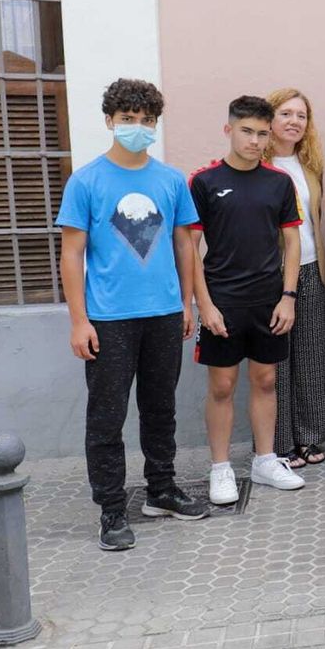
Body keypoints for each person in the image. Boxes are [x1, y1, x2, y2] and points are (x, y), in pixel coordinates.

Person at [59, 78, 208, 549]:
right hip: (108, 318)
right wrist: (79, 320)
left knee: (160, 408)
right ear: (109, 121)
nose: (137, 128)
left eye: (146, 121)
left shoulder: (169, 180)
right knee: (107, 415)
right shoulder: (86, 180)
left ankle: (161, 490)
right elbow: (71, 253)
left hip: (164, 313)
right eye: (128, 119)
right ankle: (111, 510)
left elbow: (185, 243)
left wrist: (185, 304)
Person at [190, 95, 305, 501]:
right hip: (222, 301)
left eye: (261, 133)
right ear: (229, 130)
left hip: (269, 300)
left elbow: (292, 243)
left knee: (266, 378)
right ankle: (220, 468)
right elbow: (189, 248)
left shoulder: (279, 182)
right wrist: (203, 304)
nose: (255, 140)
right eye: (246, 132)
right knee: (222, 384)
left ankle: (265, 460)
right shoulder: (204, 181)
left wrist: (288, 296)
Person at [264, 88, 325, 470]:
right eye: (285, 113)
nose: (294, 121)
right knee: (277, 359)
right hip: (270, 273)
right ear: (269, 119)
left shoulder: (310, 166)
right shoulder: (257, 165)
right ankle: (280, 441)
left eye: (301, 115)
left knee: (310, 355)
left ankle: (308, 436)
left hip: (310, 267)